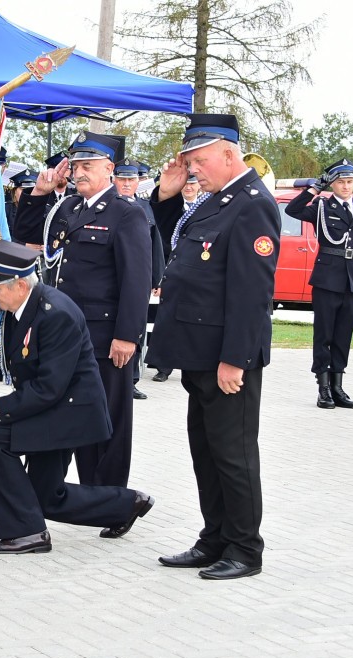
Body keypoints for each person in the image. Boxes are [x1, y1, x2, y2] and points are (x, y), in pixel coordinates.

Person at [147, 113, 279, 580]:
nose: (194, 170)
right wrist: (165, 193)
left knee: (233, 453)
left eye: (199, 161)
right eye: (189, 162)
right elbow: (168, 238)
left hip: (226, 358)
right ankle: (214, 539)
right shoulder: (216, 199)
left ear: (228, 154)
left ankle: (245, 550)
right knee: (206, 450)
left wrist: (234, 360)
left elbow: (251, 294)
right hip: (198, 352)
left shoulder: (252, 204)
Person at [0, 240, 154, 554]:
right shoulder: (22, 308)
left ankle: (27, 533)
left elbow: (49, 388)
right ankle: (125, 505)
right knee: (45, 497)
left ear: (18, 284)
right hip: (52, 409)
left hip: (68, 414)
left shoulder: (56, 314)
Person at [14, 131, 151, 504]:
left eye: (88, 166)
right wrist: (41, 193)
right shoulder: (67, 208)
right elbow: (24, 237)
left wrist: (127, 336)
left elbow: (136, 281)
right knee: (58, 412)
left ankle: (110, 500)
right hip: (61, 336)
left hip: (103, 336)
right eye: (75, 166)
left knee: (106, 418)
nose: (79, 172)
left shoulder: (127, 213)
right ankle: (48, 492)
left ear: (110, 168)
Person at [285, 158, 353, 409]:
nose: (346, 186)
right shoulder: (322, 206)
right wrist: (314, 189)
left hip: (352, 281)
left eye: (350, 182)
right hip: (327, 279)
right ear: (332, 184)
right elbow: (292, 210)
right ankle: (323, 387)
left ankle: (337, 387)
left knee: (343, 336)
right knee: (324, 334)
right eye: (341, 182)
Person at [113, 158, 163, 401]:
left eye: (130, 179)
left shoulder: (146, 207)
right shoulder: (108, 205)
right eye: (121, 178)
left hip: (139, 279)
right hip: (113, 278)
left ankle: (131, 380)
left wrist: (157, 277)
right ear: (113, 179)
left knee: (136, 329)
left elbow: (156, 244)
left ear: (138, 181)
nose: (125, 183)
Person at [150, 175, 202, 384]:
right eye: (186, 183)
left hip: (196, 271)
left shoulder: (205, 207)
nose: (188, 187)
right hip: (171, 266)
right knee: (167, 318)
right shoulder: (172, 208)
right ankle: (164, 367)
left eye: (192, 183)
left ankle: (192, 363)